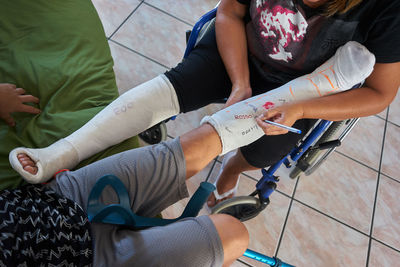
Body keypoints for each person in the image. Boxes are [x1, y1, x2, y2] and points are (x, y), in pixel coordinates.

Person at [9, 0, 400, 207]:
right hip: (236, 52)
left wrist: (299, 108)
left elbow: (380, 94)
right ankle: (65, 152)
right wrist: (240, 83)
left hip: (302, 93)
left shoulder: (386, 10)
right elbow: (229, 11)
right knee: (163, 92)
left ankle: (230, 174)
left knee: (262, 151)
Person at [1, 121, 249, 266]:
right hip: (91, 261)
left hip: (52, 204)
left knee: (204, 141)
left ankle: (280, 97)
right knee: (235, 234)